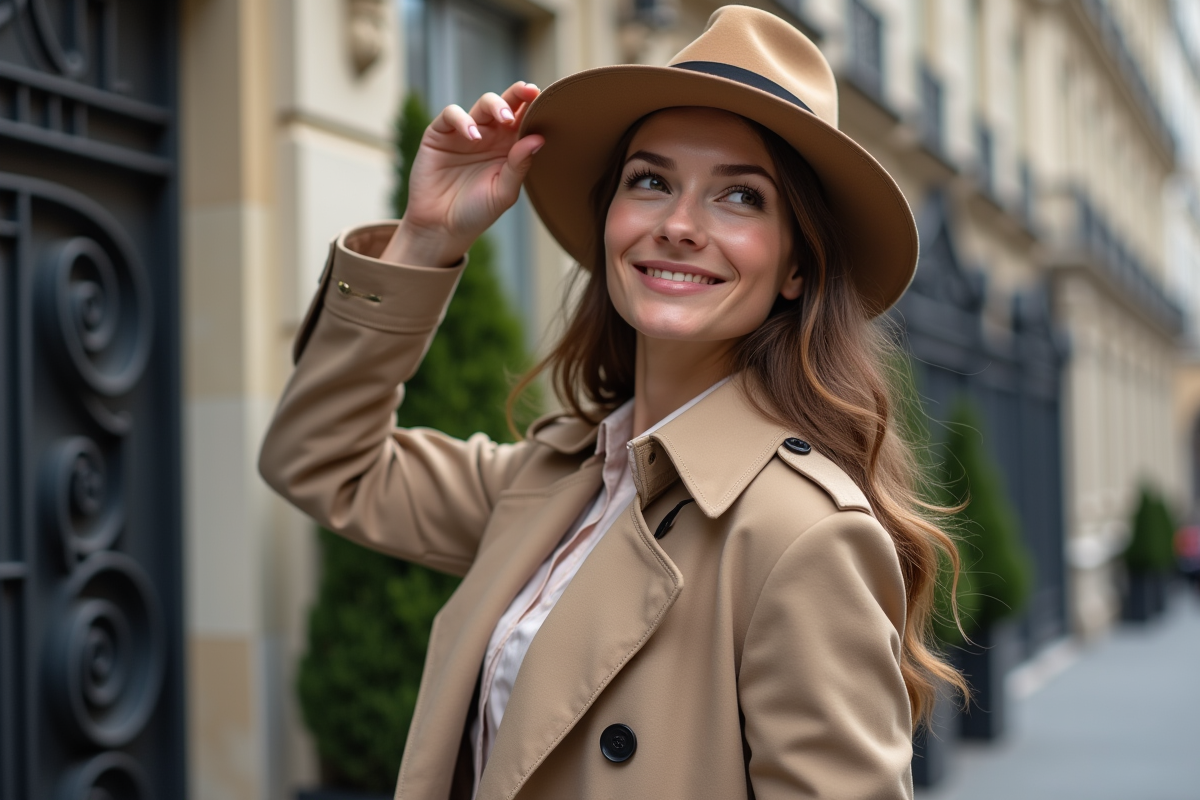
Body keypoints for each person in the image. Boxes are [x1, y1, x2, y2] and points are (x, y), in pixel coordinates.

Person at [260, 6, 965, 799]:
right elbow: (322, 461)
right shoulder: (561, 475)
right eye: (651, 182)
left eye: (739, 198)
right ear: (610, 224)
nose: (679, 225)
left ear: (796, 266)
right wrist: (425, 239)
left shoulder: (800, 536)